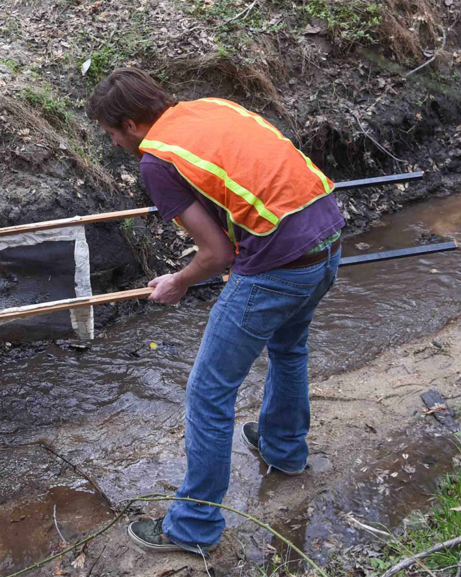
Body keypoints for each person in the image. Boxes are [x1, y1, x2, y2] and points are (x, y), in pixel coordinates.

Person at [86, 69, 345, 553]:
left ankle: (192, 528)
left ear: (130, 124)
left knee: (208, 394)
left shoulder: (156, 161)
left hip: (280, 264)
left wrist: (177, 282)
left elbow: (218, 255)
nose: (116, 144)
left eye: (112, 135)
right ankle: (284, 451)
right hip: (329, 235)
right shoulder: (212, 106)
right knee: (289, 348)